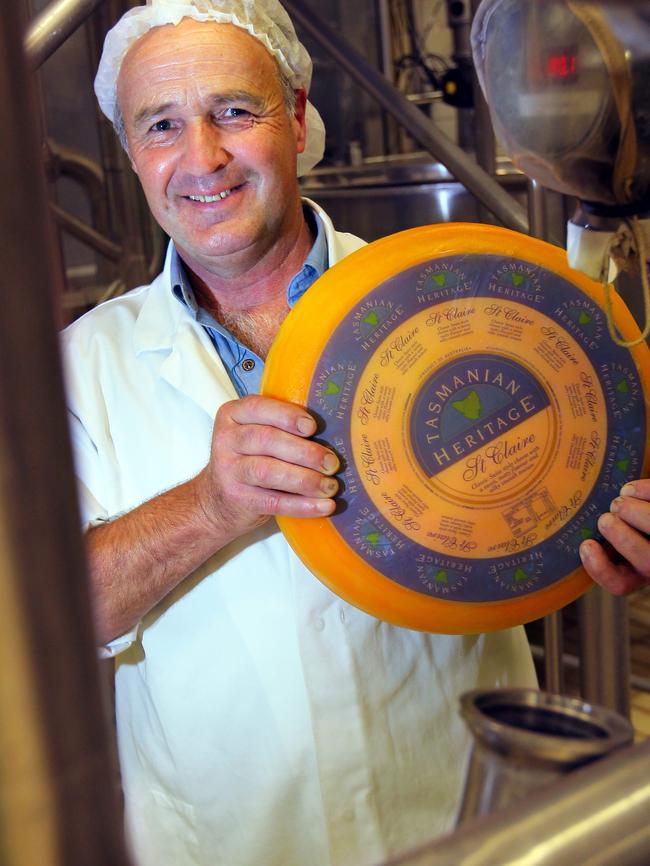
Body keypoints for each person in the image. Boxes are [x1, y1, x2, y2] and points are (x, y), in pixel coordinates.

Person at [61, 1, 647, 865]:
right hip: (226, 843)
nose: (203, 158)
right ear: (131, 154)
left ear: (296, 120)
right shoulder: (81, 367)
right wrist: (210, 506)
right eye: (161, 125)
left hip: (461, 818)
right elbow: (46, 625)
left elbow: (575, 468)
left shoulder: (459, 297)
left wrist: (616, 522)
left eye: (234, 110)